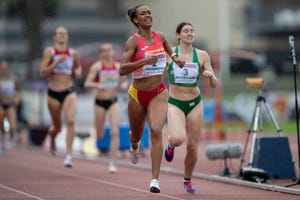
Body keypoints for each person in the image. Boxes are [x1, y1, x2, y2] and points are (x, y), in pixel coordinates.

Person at [119, 4, 185, 193]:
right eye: (143, 14)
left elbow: (167, 47)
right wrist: (142, 62)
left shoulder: (160, 37)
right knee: (137, 134)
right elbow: (122, 69)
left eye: (149, 12)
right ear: (135, 20)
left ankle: (155, 180)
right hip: (137, 94)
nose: (148, 15)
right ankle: (134, 144)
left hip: (158, 91)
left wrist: (174, 57)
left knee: (156, 130)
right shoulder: (133, 42)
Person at [164, 22, 217, 193]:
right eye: (186, 31)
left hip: (195, 103)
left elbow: (214, 83)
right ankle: (171, 145)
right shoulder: (169, 54)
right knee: (178, 138)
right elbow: (157, 73)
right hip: (175, 103)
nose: (190, 33)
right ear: (178, 35)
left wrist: (210, 77)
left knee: (193, 146)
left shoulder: (202, 55)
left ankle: (187, 180)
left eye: (192, 31)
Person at [40, 26, 82, 167]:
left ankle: (68, 156)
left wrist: (77, 72)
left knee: (70, 121)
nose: (63, 35)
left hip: (69, 90)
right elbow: (43, 73)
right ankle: (52, 136)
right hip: (53, 93)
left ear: (67, 37)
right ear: (55, 37)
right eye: (60, 33)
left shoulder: (73, 53)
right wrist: (57, 62)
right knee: (57, 126)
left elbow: (78, 67)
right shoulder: (49, 52)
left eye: (65, 33)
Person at [84, 43, 128, 173]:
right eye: (104, 51)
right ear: (100, 53)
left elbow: (124, 81)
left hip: (113, 100)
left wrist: (124, 85)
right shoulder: (97, 67)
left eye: (109, 50)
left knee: (115, 131)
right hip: (100, 101)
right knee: (99, 135)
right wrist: (98, 86)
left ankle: (112, 163)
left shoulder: (117, 67)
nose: (107, 53)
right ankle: (99, 136)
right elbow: (87, 83)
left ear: (112, 52)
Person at [0, 61, 21, 155]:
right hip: (1, 104)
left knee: (12, 126)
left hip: (10, 105)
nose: (4, 70)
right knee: (1, 120)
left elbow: (19, 91)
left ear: (8, 69)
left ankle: (11, 132)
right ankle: (3, 144)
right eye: (2, 68)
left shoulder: (13, 79)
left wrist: (17, 99)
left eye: (5, 68)